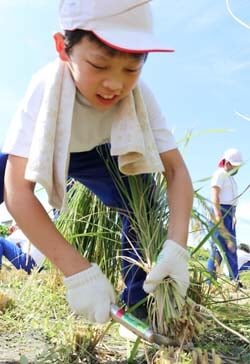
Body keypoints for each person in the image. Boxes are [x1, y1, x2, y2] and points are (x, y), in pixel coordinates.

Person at [0, 0, 193, 324]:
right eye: (100, 65)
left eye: (131, 69)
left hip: (103, 154)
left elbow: (175, 169)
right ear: (63, 48)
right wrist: (77, 271)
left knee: (140, 201)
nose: (116, 84)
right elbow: (18, 190)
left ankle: (137, 308)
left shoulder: (140, 97)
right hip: (50, 142)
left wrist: (177, 246)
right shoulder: (44, 88)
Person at [207, 148, 243, 281]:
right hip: (220, 212)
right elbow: (214, 195)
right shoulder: (219, 174)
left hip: (230, 214)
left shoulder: (231, 179)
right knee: (218, 249)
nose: (237, 169)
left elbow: (232, 200)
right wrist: (218, 216)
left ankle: (235, 280)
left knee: (231, 248)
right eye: (235, 166)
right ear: (227, 163)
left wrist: (233, 216)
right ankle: (209, 282)